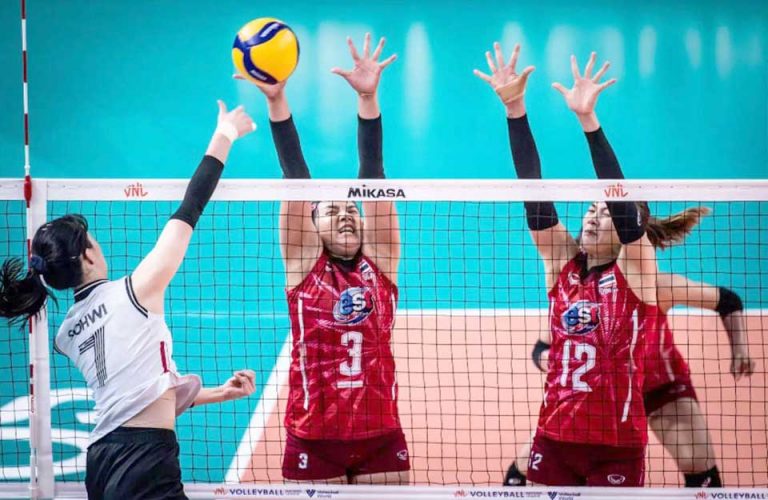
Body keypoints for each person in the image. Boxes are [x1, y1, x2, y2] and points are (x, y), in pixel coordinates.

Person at [0, 101, 258, 499]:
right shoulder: (137, 291)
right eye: (93, 241)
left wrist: (220, 394)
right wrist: (226, 132)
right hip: (144, 459)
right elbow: (190, 207)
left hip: (105, 461)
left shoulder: (67, 334)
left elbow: (135, 393)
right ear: (88, 255)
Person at [476, 44, 657, 486]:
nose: (593, 216)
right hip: (554, 437)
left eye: (604, 213)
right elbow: (534, 192)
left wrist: (588, 121)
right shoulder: (562, 263)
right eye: (590, 210)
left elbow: (621, 202)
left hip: (617, 444)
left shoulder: (636, 270)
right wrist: (515, 111)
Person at [237, 33, 408, 484]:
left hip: (380, 433)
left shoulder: (381, 262)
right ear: (312, 229)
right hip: (312, 435)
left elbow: (372, 176)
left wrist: (368, 99)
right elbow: (296, 175)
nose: (346, 214)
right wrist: (277, 101)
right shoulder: (302, 264)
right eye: (331, 211)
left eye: (351, 209)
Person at [507, 267, 754, 488]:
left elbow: (728, 300)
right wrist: (554, 360)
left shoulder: (657, 286)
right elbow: (541, 348)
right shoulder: (581, 294)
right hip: (602, 399)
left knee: (698, 464)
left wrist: (740, 349)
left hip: (660, 388)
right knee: (525, 467)